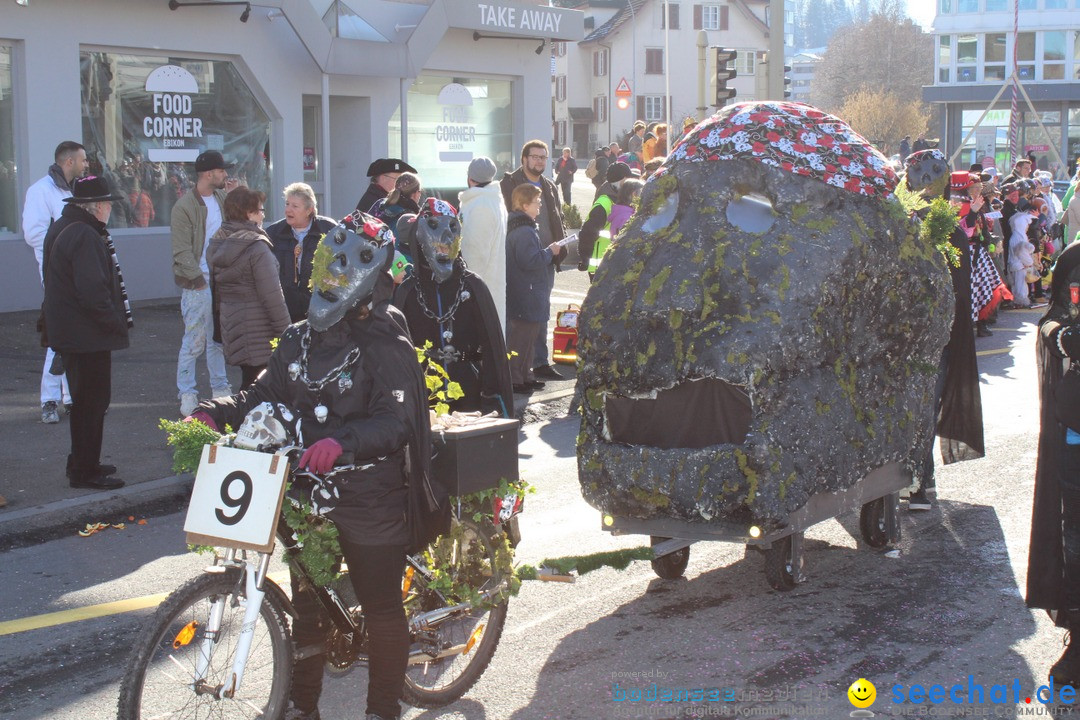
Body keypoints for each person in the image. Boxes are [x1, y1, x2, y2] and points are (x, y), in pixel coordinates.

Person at [189, 214, 447, 720]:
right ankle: (302, 707)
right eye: (328, 265)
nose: (331, 278)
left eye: (345, 269)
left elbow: (397, 423)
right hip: (309, 493)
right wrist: (215, 412)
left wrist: (343, 441)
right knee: (307, 611)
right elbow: (264, 395)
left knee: (380, 608)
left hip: (371, 495)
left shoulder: (384, 342)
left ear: (372, 281)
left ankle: (381, 712)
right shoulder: (298, 338)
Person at [42, 176, 131, 491]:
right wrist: (115, 323)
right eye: (107, 203)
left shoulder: (65, 227)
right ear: (97, 207)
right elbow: (93, 293)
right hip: (85, 335)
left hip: (74, 332)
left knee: (85, 402)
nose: (109, 208)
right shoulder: (84, 234)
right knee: (92, 403)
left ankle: (84, 463)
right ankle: (85, 471)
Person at [393, 198, 514, 416]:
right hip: (424, 395)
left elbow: (492, 347)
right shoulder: (408, 292)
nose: (444, 247)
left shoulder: (473, 286)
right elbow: (398, 356)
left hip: (470, 393)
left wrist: (491, 398)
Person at [1027, 240, 1080, 687]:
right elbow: (1051, 319)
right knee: (1076, 536)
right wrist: (1063, 336)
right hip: (1077, 429)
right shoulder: (1076, 257)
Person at [23, 140, 87, 424]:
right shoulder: (40, 191)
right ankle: (50, 398)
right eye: (83, 160)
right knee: (60, 330)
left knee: (72, 329)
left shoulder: (77, 189)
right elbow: (33, 233)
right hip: (54, 268)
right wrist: (64, 244)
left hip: (76, 267)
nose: (87, 165)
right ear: (69, 161)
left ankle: (69, 396)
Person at [206, 187, 290, 389]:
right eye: (260, 210)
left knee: (249, 383)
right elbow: (273, 297)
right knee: (263, 389)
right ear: (248, 213)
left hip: (233, 325)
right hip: (260, 329)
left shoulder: (218, 241)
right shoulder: (256, 247)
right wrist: (287, 333)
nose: (263, 214)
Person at [499, 140, 567, 382]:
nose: (539, 161)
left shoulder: (549, 185)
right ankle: (518, 371)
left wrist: (559, 246)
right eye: (535, 156)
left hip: (546, 259)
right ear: (524, 158)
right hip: (523, 261)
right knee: (522, 317)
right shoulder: (509, 184)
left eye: (543, 157)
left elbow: (557, 216)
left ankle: (537, 364)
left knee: (540, 312)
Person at [266, 182, 337, 323]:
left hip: (319, 307)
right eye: (287, 204)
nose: (288, 210)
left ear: (309, 210)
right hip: (285, 309)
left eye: (295, 206)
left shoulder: (329, 229)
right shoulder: (273, 233)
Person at [458, 156, 509, 327]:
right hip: (489, 287)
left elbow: (475, 256)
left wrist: (462, 288)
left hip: (478, 293)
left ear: (469, 178)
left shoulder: (481, 206)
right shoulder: (493, 201)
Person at [578, 162, 634, 278]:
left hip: (614, 265)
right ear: (620, 180)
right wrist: (585, 259)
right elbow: (587, 233)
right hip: (602, 268)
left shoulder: (623, 200)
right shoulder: (604, 203)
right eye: (627, 179)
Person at [375, 172, 422, 268]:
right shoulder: (410, 219)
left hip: (382, 267)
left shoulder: (382, 209)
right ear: (416, 194)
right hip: (403, 269)